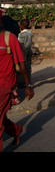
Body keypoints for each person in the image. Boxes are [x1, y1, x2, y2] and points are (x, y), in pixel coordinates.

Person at [0, 20, 34, 151]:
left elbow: (22, 63)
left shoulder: (10, 38)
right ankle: (16, 130)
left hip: (5, 84)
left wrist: (28, 85)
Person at [17, 19, 33, 86]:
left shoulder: (21, 34)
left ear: (21, 26)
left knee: (22, 66)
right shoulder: (29, 33)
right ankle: (28, 81)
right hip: (29, 49)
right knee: (28, 66)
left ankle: (22, 82)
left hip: (23, 51)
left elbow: (20, 43)